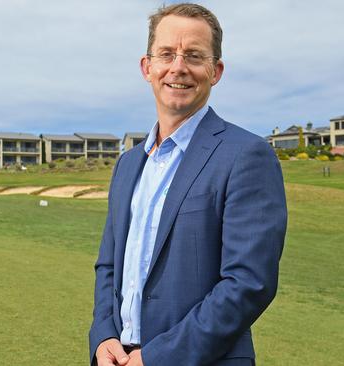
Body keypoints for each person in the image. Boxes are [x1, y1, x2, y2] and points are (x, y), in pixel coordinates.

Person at [89, 3, 287, 365]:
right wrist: (103, 336)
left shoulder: (246, 156)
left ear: (216, 71)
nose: (178, 67)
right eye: (166, 54)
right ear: (147, 67)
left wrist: (157, 358)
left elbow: (248, 284)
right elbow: (108, 267)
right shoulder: (128, 164)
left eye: (194, 56)